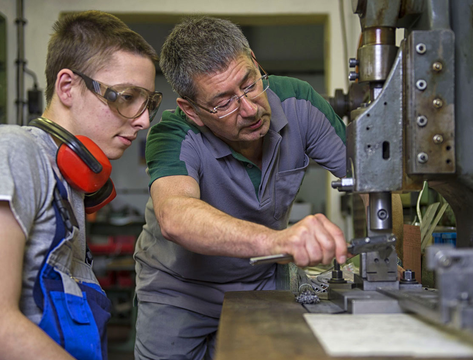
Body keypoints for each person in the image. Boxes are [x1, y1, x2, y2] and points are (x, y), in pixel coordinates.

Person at [0, 10, 162, 360]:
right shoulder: (11, 151)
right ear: (67, 87)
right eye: (127, 97)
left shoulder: (69, 181)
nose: (145, 120)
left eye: (149, 102)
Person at [134, 16, 348, 360]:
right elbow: (175, 216)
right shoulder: (172, 134)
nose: (249, 110)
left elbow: (368, 175)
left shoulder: (299, 103)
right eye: (223, 103)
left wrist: (388, 256)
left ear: (253, 60)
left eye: (249, 85)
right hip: (178, 292)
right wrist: (280, 240)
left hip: (262, 283)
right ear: (192, 110)